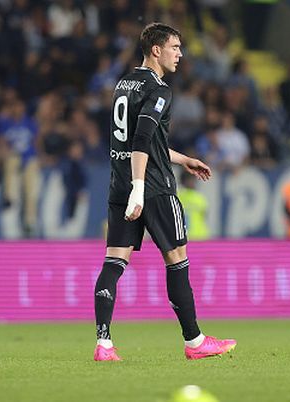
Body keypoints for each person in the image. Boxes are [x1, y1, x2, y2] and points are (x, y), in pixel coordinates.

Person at [94, 23, 236, 362]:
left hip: (119, 184)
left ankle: (104, 344)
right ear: (156, 50)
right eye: (174, 46)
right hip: (153, 187)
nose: (180, 53)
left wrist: (184, 159)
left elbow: (140, 142)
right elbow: (142, 139)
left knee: (114, 263)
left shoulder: (125, 84)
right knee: (177, 261)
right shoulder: (159, 90)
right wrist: (141, 190)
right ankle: (195, 341)